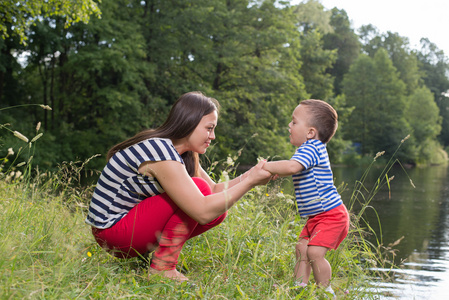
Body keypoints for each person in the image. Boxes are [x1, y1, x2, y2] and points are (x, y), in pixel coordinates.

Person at [85, 91, 272, 282]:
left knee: (215, 207)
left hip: (125, 231)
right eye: (209, 128)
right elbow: (202, 211)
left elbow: (215, 190)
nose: (213, 136)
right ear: (189, 123)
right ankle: (162, 268)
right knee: (200, 192)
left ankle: (151, 261)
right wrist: (250, 182)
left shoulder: (181, 153)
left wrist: (250, 175)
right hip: (112, 234)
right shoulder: (160, 151)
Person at [263, 99, 349, 297]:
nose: (289, 126)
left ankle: (325, 291)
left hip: (331, 215)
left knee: (314, 253)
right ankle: (298, 288)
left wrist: (267, 166)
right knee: (301, 249)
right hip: (317, 216)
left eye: (294, 122)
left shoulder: (312, 147)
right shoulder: (305, 150)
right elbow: (293, 166)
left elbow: (292, 167)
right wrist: (279, 171)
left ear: (310, 132)